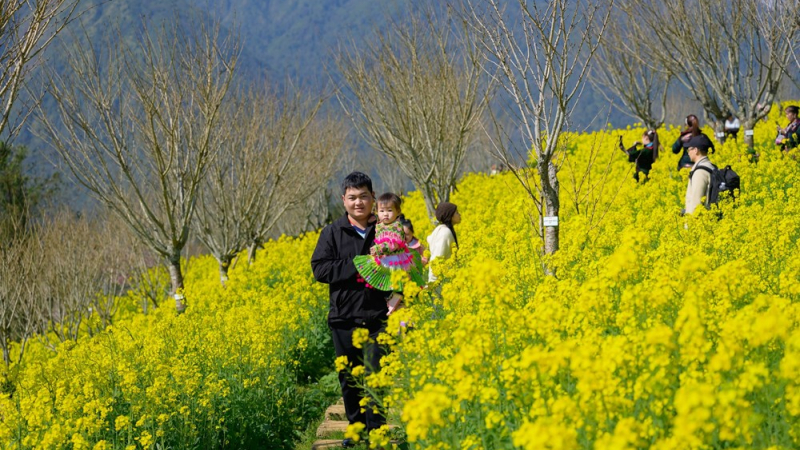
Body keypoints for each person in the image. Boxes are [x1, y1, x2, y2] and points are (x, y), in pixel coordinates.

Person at [310, 172, 386, 447]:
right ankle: (356, 429)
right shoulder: (331, 233)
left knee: (377, 374)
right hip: (344, 316)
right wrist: (358, 264)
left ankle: (377, 430)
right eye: (352, 197)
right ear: (344, 200)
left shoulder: (386, 230)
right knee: (349, 376)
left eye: (364, 196)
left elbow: (405, 263)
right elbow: (319, 269)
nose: (358, 202)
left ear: (373, 197)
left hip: (379, 316)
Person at [353, 193, 426, 315]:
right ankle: (392, 300)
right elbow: (379, 224)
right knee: (382, 281)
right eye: (381, 211)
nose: (385, 214)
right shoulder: (381, 224)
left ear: (398, 212)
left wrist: (380, 248)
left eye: (389, 210)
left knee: (395, 282)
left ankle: (396, 298)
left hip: (395, 259)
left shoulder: (397, 226)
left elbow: (395, 244)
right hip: (384, 258)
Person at [427, 202, 461, 282]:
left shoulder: (446, 230)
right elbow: (436, 259)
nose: (459, 215)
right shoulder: (445, 233)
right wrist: (432, 284)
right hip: (443, 281)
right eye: (456, 212)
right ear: (450, 216)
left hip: (449, 278)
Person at [682, 135, 715, 215]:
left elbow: (696, 202)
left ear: (696, 150)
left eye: (689, 150)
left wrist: (689, 224)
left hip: (699, 223)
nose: (688, 153)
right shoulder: (711, 166)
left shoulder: (700, 172)